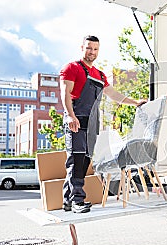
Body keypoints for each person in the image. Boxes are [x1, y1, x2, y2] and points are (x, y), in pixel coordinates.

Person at [60, 35, 146, 213]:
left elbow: (113, 94)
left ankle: (68, 200)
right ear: (82, 47)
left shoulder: (99, 75)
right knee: (76, 160)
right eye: (89, 48)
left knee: (84, 161)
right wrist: (70, 115)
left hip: (92, 124)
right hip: (76, 120)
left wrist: (135, 102)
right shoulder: (72, 68)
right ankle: (77, 201)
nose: (92, 52)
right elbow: (65, 93)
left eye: (95, 49)